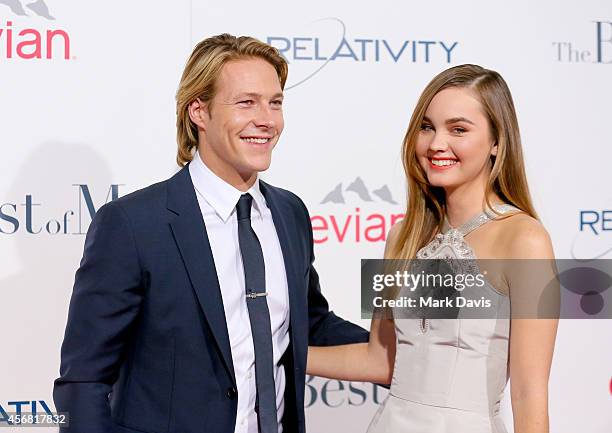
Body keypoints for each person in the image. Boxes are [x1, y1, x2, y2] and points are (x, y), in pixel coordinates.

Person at [53, 33, 368, 433]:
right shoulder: (133, 224)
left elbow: (311, 324)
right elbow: (83, 381)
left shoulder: (290, 213)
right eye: (246, 102)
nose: (266, 120)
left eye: (275, 103)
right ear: (198, 112)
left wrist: (412, 347)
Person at [307, 64, 558, 433]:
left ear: (496, 142)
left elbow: (529, 393)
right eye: (427, 127)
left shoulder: (525, 239)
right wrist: (275, 355)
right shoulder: (401, 236)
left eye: (458, 129)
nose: (437, 144)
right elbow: (380, 359)